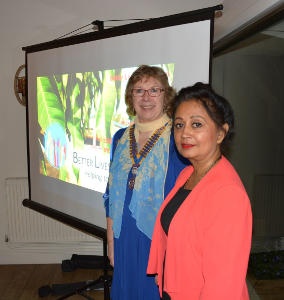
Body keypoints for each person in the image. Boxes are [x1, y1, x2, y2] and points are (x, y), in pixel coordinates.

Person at [147, 82, 252, 300]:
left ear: (221, 133)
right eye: (178, 125)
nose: (184, 133)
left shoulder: (227, 194)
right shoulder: (187, 174)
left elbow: (223, 286)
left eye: (196, 124)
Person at [103, 65, 189, 300]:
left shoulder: (178, 138)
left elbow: (185, 199)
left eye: (154, 90)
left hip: (159, 236)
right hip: (123, 235)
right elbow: (110, 194)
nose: (146, 97)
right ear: (131, 96)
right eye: (139, 90)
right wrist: (111, 240)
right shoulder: (120, 137)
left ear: (166, 95)